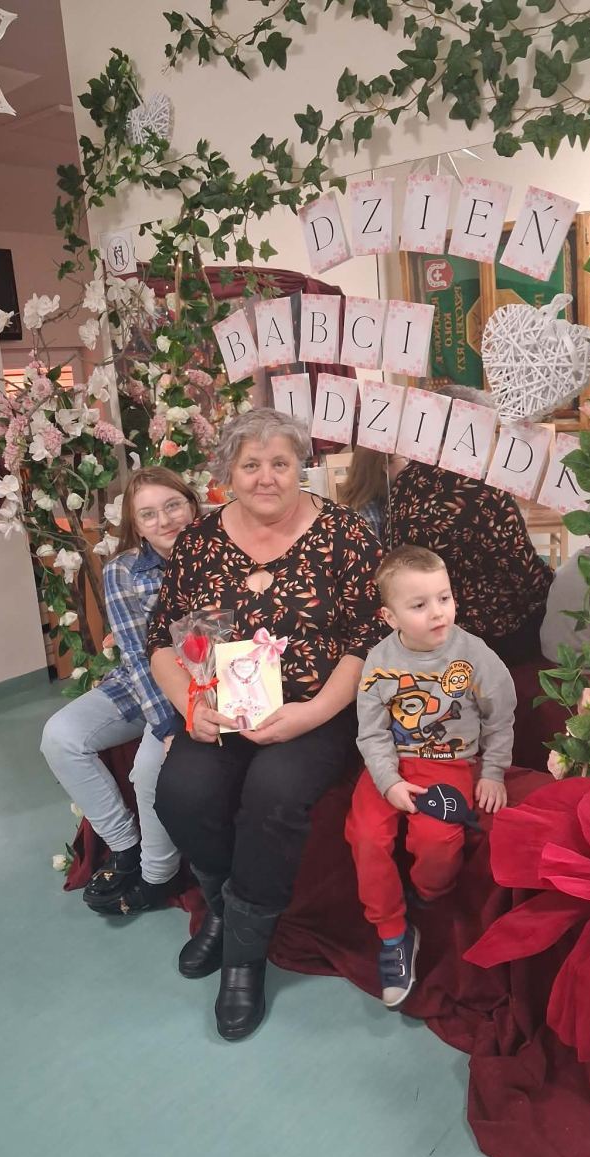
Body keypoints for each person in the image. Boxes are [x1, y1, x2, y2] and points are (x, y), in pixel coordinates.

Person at [148, 408, 386, 1041]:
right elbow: (164, 639)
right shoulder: (200, 541)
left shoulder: (344, 533)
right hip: (221, 707)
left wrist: (314, 712)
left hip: (315, 710)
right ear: (228, 471)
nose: (265, 477)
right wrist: (191, 706)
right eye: (250, 464)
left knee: (273, 794)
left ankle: (244, 958)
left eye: (280, 463)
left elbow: (368, 641)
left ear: (300, 466)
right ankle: (224, 911)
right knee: (181, 792)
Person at [346, 545, 516, 1009]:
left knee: (438, 843)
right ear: (390, 616)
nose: (438, 612)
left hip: (448, 763)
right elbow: (371, 732)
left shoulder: (475, 655)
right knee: (366, 835)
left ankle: (425, 894)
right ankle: (392, 934)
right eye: (419, 605)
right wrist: (389, 782)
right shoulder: (379, 661)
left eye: (444, 598)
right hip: (390, 763)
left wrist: (493, 771)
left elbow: (501, 716)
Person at [41, 467, 198, 916]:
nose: (164, 520)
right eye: (148, 514)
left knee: (149, 768)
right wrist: (167, 726)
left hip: (204, 682)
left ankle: (157, 874)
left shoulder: (218, 551)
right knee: (60, 737)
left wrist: (175, 727)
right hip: (144, 682)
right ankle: (124, 846)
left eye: (173, 505)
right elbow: (137, 658)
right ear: (136, 525)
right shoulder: (123, 571)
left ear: (192, 504)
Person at [385, 455, 554, 666]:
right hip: (495, 639)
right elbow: (528, 576)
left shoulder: (404, 482)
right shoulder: (486, 487)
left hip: (423, 635)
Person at [338, 446, 408, 546]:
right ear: (385, 467)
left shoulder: (384, 501)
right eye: (405, 459)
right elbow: (374, 554)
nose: (409, 465)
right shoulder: (369, 513)